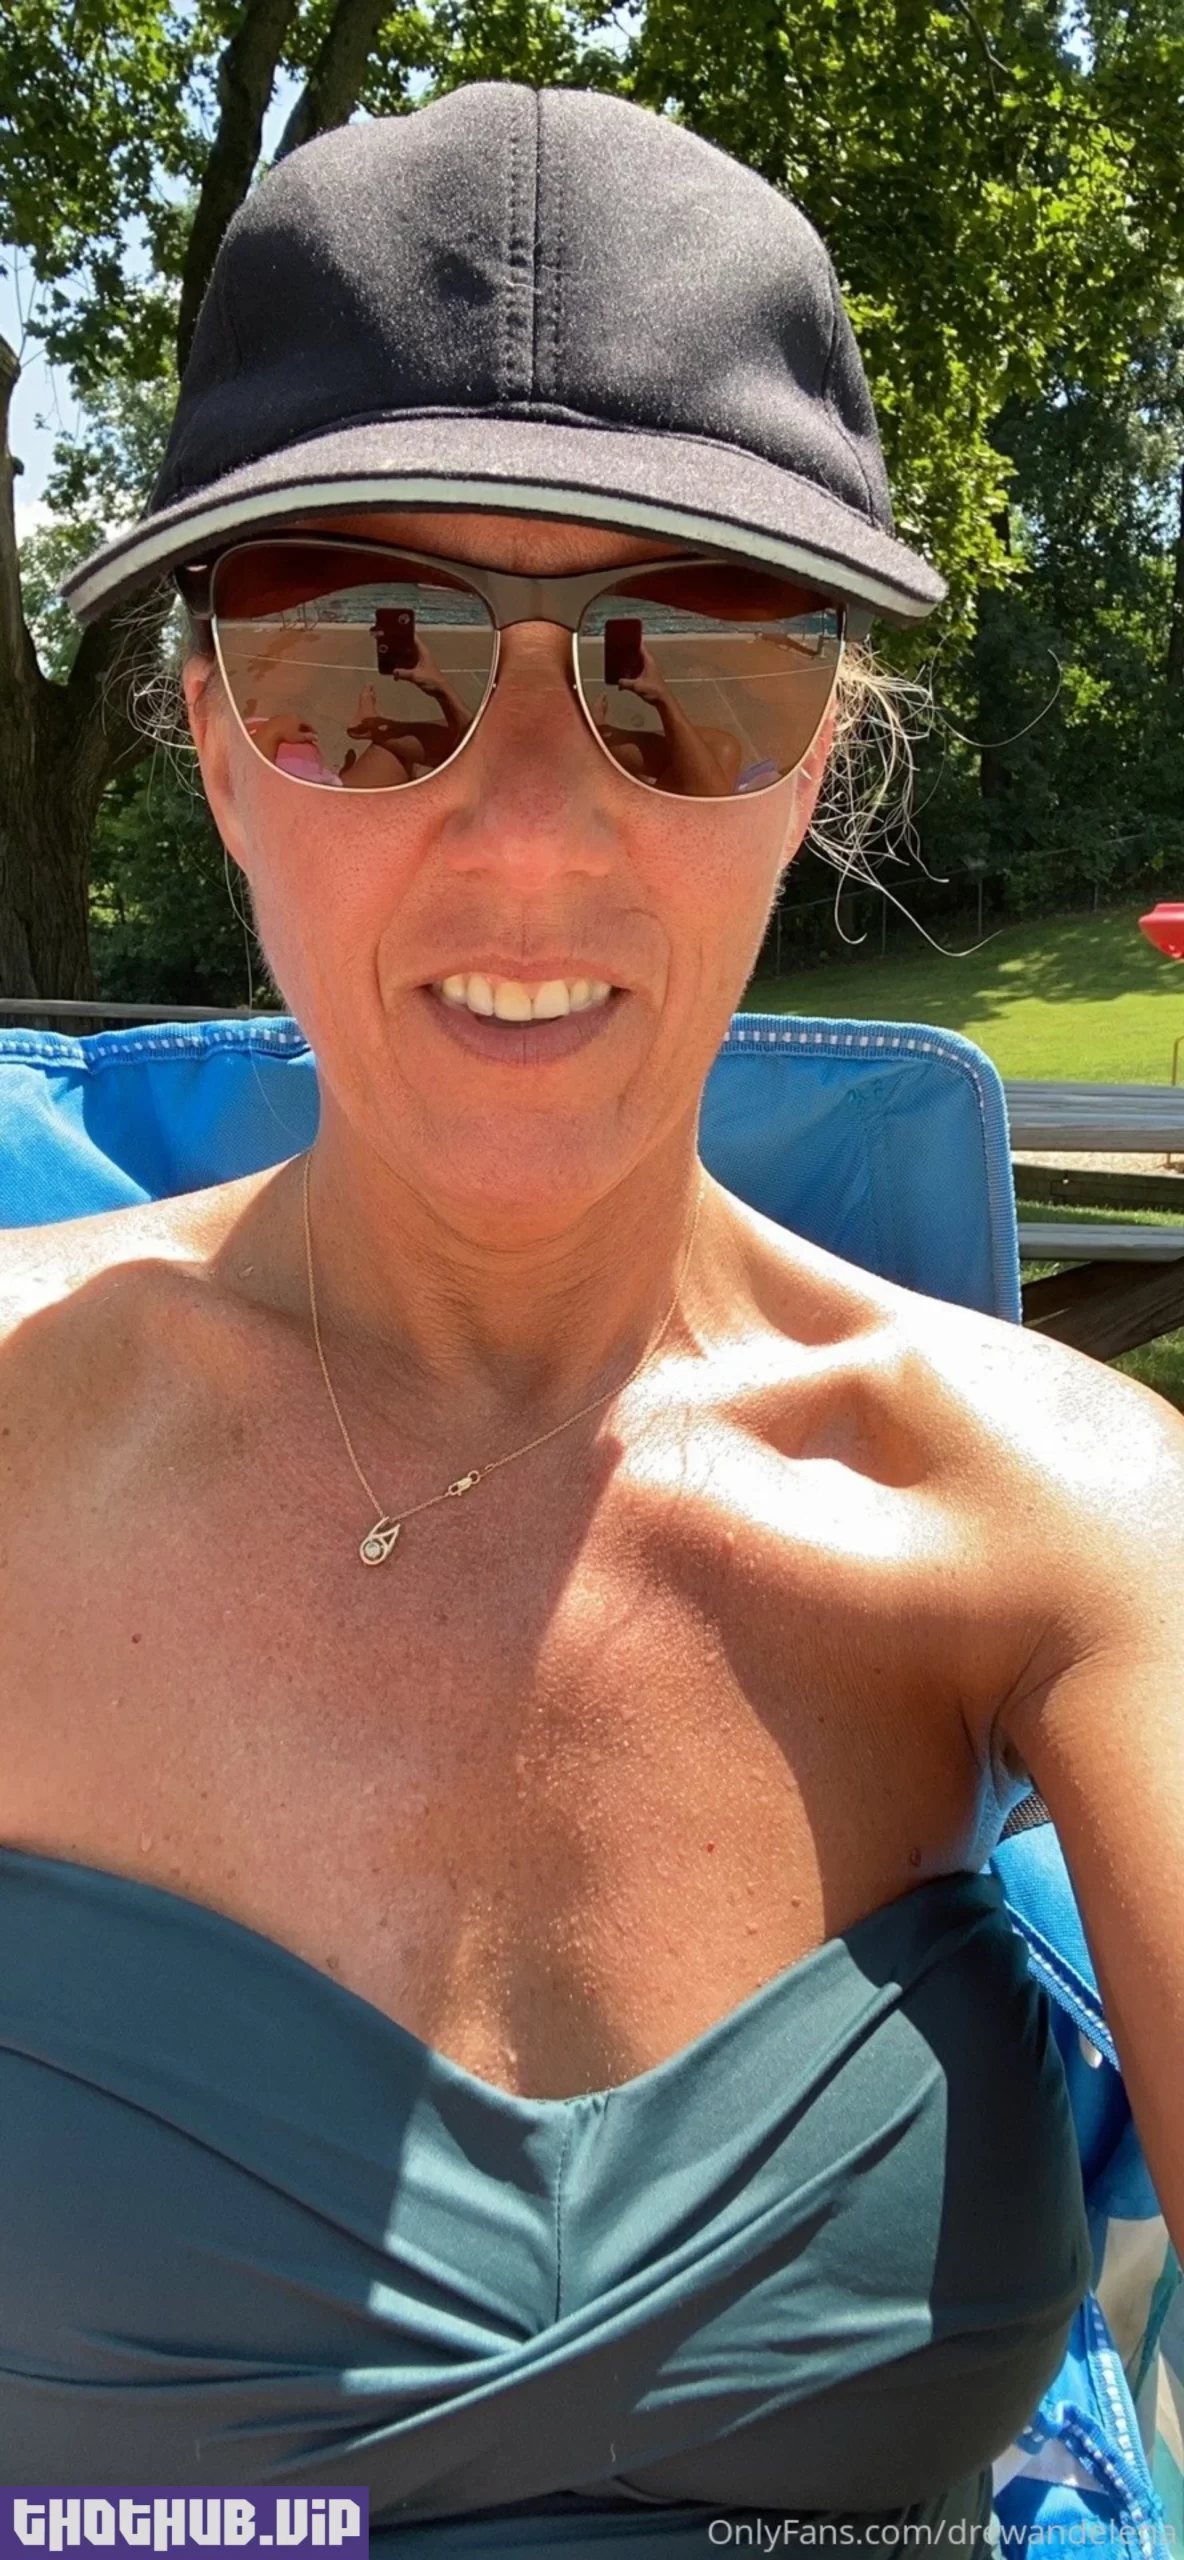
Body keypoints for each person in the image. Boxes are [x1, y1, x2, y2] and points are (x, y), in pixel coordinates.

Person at [2, 76, 1182, 2550]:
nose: (531, 827)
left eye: (688, 672)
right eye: (368, 665)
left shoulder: (1074, 1526)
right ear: (215, 747)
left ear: (813, 760)